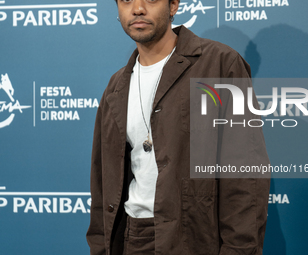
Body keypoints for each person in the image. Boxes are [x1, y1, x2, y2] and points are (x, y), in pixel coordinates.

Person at [86, 0, 271, 254]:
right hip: (132, 238)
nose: (138, 9)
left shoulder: (219, 65)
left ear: (173, 6)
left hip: (194, 239)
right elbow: (102, 182)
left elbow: (244, 175)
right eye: (126, 0)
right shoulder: (116, 86)